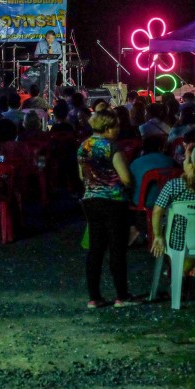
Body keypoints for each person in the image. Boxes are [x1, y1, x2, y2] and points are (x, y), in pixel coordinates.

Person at [77, 109, 138, 308]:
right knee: (117, 249)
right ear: (108, 128)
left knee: (95, 249)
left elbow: (81, 176)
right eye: (116, 126)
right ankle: (122, 295)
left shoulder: (83, 147)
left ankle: (94, 297)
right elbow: (126, 178)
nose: (119, 130)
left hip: (90, 200)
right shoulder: (112, 147)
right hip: (113, 200)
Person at [150, 144, 195, 272]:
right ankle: (186, 271)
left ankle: (178, 274)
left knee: (165, 230)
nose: (183, 161)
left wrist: (157, 236)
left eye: (186, 158)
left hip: (177, 242)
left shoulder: (173, 185)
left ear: (191, 165)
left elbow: (157, 212)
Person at [129, 135, 177, 209]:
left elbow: (129, 183)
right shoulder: (171, 161)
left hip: (140, 203)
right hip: (167, 203)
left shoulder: (135, 163)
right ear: (160, 148)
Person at [34, 30, 62, 99]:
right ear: (46, 37)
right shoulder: (40, 44)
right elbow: (35, 55)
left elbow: (60, 56)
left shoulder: (57, 44)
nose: (50, 40)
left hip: (54, 64)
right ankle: (40, 99)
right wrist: (43, 55)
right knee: (42, 82)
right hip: (44, 64)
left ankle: (51, 100)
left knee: (53, 82)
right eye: (49, 38)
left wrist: (53, 53)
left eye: (52, 38)